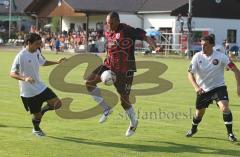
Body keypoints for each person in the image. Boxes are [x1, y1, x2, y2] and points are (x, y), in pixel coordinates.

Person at [85, 11, 158, 137]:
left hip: (125, 70)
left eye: (112, 23)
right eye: (108, 23)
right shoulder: (108, 31)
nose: (109, 26)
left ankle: (134, 122)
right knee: (88, 83)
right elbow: (110, 48)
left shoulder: (126, 30)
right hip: (108, 64)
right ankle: (106, 108)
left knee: (124, 101)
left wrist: (153, 45)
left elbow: (144, 36)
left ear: (118, 21)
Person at [10, 33, 66, 137]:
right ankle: (36, 129)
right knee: (37, 116)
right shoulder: (20, 56)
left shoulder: (37, 52)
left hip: (40, 86)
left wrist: (57, 62)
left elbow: (43, 62)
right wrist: (25, 78)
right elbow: (12, 73)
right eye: (37, 44)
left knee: (58, 104)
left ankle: (42, 111)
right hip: (29, 92)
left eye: (40, 43)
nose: (39, 46)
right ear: (29, 43)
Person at [186, 34, 240, 142]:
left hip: (218, 87)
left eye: (205, 45)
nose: (202, 48)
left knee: (224, 108)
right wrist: (196, 87)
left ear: (212, 45)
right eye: (201, 45)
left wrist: (238, 86)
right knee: (199, 113)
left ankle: (230, 134)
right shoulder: (197, 56)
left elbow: (236, 71)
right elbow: (190, 74)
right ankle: (193, 129)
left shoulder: (221, 57)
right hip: (203, 89)